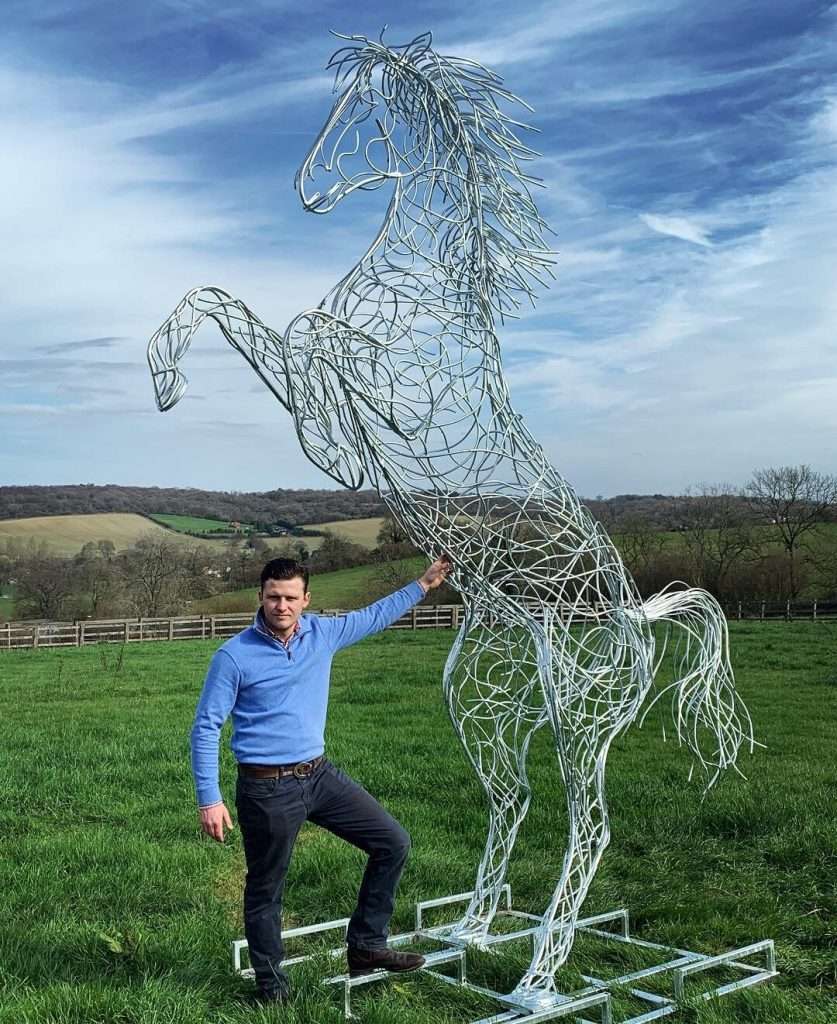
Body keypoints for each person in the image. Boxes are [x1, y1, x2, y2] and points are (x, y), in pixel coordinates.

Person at [191, 555, 452, 1003]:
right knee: (266, 889)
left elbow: (374, 616)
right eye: (273, 596)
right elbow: (205, 727)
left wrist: (423, 585)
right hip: (265, 787)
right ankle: (272, 990)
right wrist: (209, 799)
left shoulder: (323, 633)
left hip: (319, 775)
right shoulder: (233, 656)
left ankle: (367, 946)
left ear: (306, 599)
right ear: (261, 597)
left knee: (393, 842)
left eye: (291, 597)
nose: (281, 605)